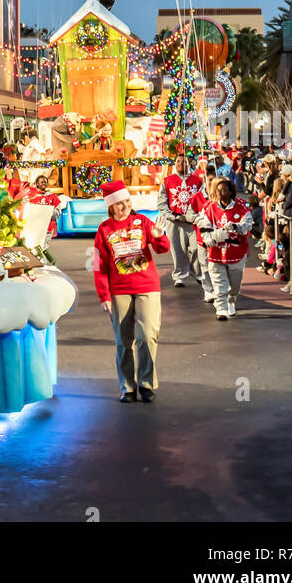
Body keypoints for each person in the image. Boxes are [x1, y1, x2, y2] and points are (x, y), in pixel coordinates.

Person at [89, 179, 170, 403]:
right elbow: (99, 266)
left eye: (126, 202)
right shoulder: (104, 229)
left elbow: (162, 249)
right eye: (119, 204)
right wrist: (103, 295)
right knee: (123, 341)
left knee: (148, 336)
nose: (124, 207)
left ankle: (146, 383)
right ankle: (127, 387)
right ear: (111, 207)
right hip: (119, 290)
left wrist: (158, 236)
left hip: (147, 287)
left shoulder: (142, 221)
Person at [194, 175, 254, 320]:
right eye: (219, 190)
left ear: (230, 191)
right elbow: (204, 228)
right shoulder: (210, 208)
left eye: (224, 190)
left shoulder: (241, 206)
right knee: (219, 281)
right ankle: (221, 308)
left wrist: (236, 227)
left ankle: (231, 300)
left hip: (236, 251)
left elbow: (248, 224)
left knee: (234, 283)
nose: (221, 193)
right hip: (216, 252)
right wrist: (210, 238)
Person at [156, 151, 202, 288]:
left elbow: (203, 201)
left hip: (193, 223)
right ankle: (180, 275)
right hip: (174, 222)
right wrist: (171, 216)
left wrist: (198, 217)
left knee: (196, 249)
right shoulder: (167, 181)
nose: (181, 164)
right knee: (177, 250)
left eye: (185, 162)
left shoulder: (198, 181)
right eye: (178, 161)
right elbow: (161, 202)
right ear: (175, 164)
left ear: (190, 164)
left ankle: (197, 273)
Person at [185, 162, 219, 303]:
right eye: (210, 180)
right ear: (204, 180)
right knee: (204, 264)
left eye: (214, 180)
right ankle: (208, 290)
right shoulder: (197, 197)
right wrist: (200, 220)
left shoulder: (221, 196)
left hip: (219, 237)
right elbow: (188, 214)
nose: (212, 183)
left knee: (218, 265)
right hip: (202, 237)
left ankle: (219, 289)